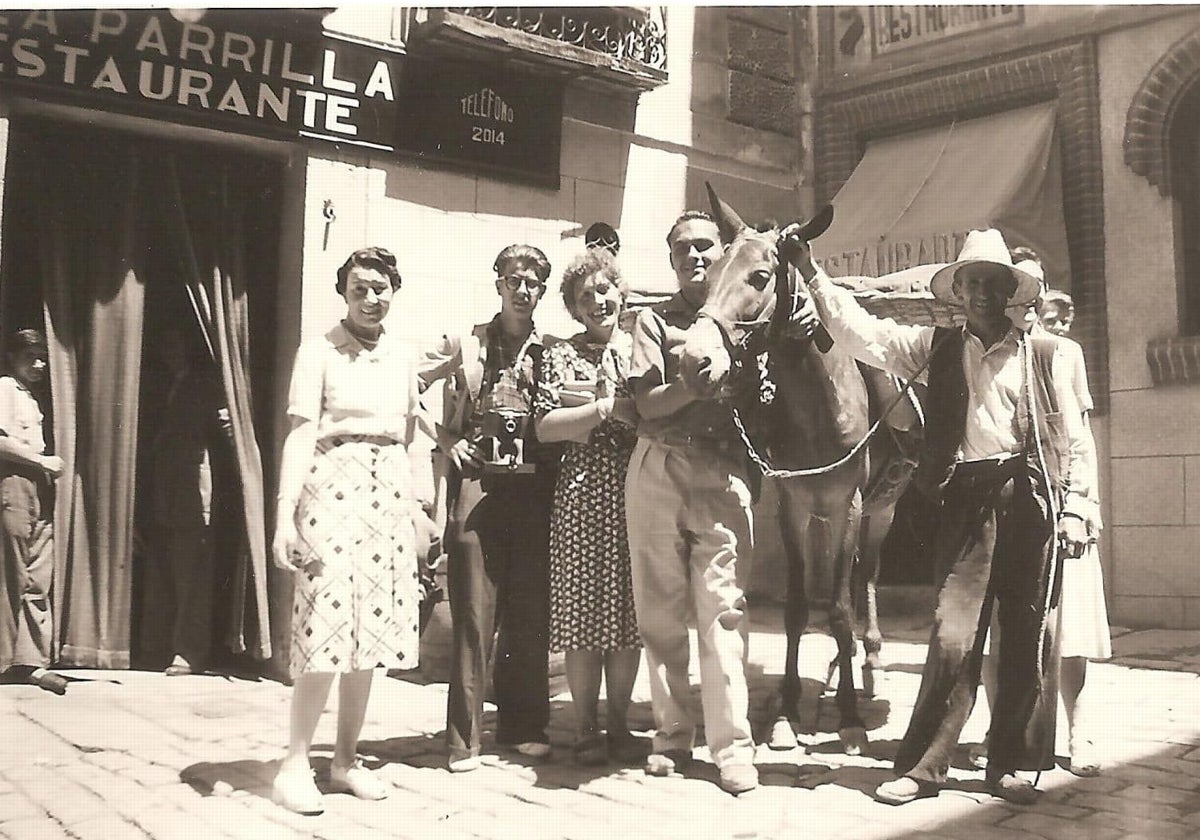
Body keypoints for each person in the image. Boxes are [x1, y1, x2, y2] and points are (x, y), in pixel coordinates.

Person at [784, 227, 1093, 805]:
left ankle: (1008, 764)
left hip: (1031, 495)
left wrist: (1078, 509)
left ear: (1008, 291)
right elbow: (862, 335)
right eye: (970, 282)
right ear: (959, 291)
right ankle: (924, 767)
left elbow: (1074, 439)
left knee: (1025, 632)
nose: (980, 292)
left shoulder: (1044, 352)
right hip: (969, 498)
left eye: (991, 283)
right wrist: (812, 274)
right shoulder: (936, 348)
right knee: (954, 631)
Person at [271, 247, 425, 815]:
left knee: (372, 635)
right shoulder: (318, 351)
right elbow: (298, 433)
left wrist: (418, 509)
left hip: (386, 496)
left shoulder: (403, 356)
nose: (371, 298)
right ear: (344, 293)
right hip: (329, 489)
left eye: (380, 287)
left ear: (393, 290)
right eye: (359, 288)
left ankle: (344, 761)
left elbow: (411, 439)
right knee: (324, 630)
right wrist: (284, 514)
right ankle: (293, 764)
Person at [624, 210, 759, 796]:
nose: (696, 257)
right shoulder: (653, 322)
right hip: (657, 464)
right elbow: (647, 405)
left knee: (723, 610)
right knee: (660, 611)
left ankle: (733, 748)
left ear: (723, 253)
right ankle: (672, 737)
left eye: (706, 247)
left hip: (722, 471)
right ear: (671, 260)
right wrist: (690, 389)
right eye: (683, 250)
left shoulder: (751, 316)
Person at [418, 244, 560, 773]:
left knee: (528, 612)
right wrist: (444, 440)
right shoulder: (467, 343)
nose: (524, 291)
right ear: (498, 281)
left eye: (534, 284)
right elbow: (406, 379)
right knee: (474, 613)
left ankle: (524, 726)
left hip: (533, 488)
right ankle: (464, 739)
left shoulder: (552, 349)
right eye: (515, 280)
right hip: (478, 485)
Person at [972, 261, 1110, 778]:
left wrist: (1082, 508)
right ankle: (995, 730)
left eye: (1031, 288)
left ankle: (1079, 729)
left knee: (1071, 626)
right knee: (995, 634)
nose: (1022, 302)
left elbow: (1080, 437)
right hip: (1009, 510)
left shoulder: (1061, 352)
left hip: (1061, 506)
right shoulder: (987, 354)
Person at [534, 247, 642, 766]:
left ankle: (619, 725)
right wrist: (603, 409)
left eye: (605, 290)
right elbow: (546, 427)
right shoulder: (559, 354)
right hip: (581, 496)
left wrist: (596, 412)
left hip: (639, 491)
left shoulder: (641, 348)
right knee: (582, 615)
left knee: (629, 615)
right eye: (586, 297)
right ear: (575, 309)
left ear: (621, 293)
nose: (599, 302)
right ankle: (584, 726)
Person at [139, 327, 234, 676]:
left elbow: (226, 425)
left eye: (177, 342)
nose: (170, 350)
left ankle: (189, 652)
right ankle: (160, 643)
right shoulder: (166, 385)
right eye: (166, 344)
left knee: (192, 571)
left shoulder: (203, 384)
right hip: (167, 488)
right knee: (166, 567)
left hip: (195, 489)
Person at [0, 329, 66, 695]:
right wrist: (41, 460)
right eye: (31, 356)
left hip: (37, 484)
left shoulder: (30, 396)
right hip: (14, 481)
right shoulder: (5, 389)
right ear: (13, 357)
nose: (39, 364)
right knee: (11, 571)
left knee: (37, 573)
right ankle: (5, 660)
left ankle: (30, 662)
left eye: (43, 357)